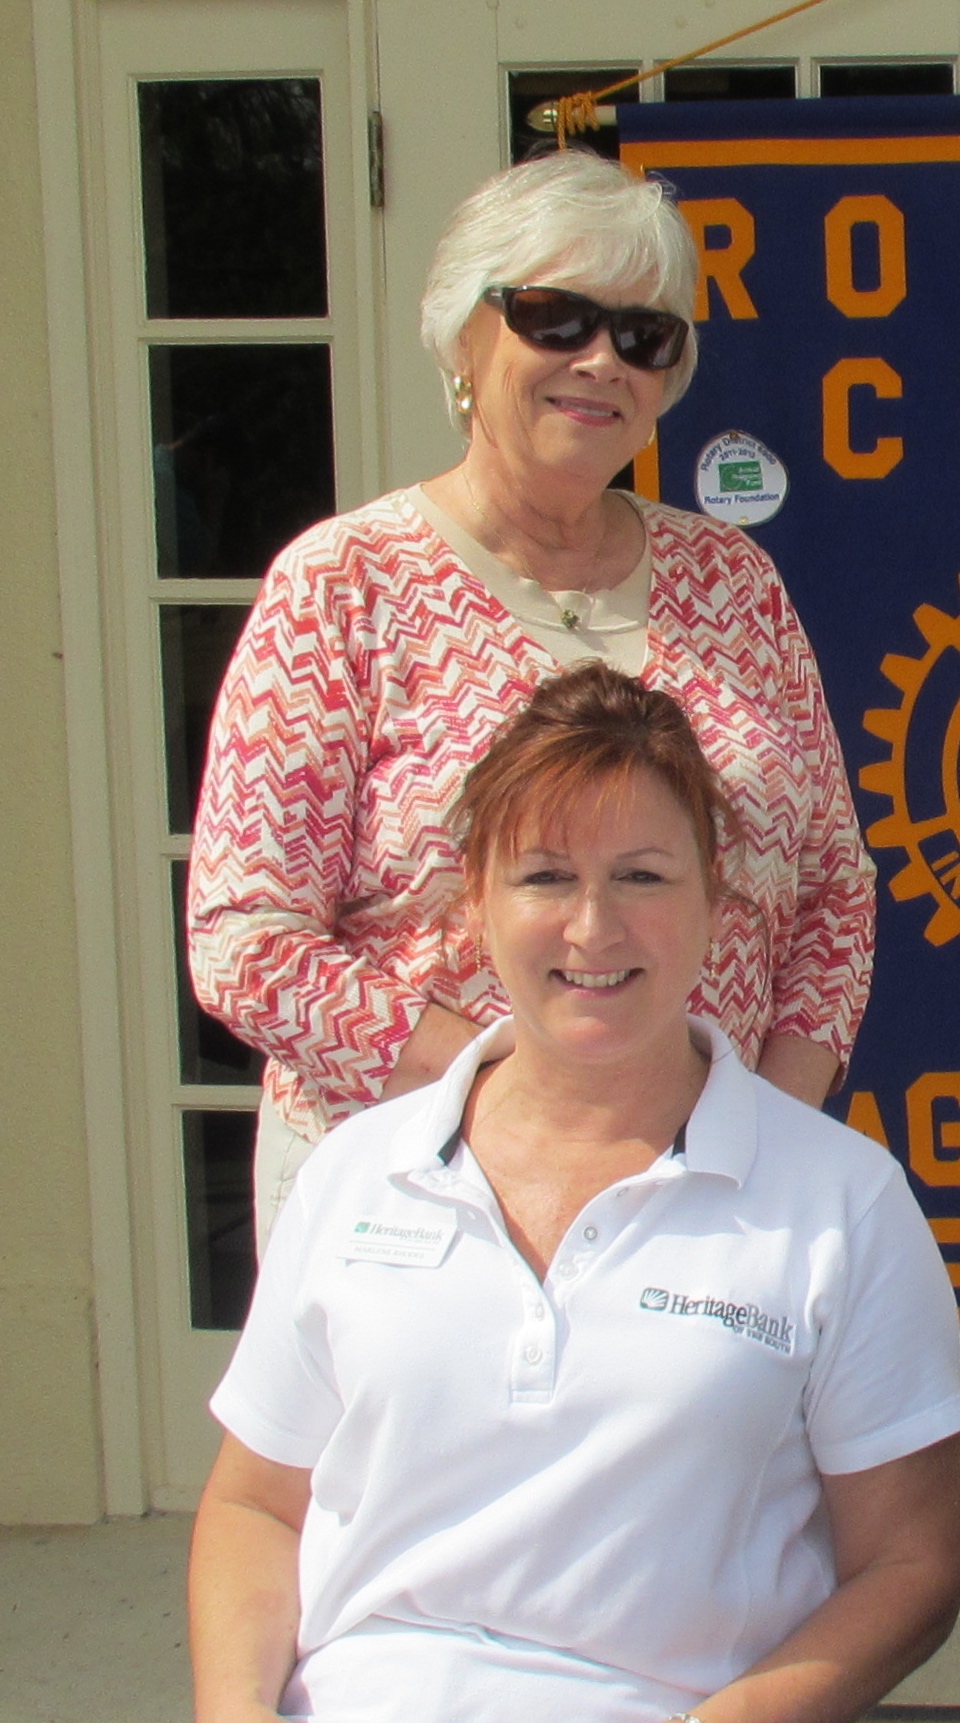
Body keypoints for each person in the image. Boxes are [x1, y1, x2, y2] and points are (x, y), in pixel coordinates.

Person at [188, 665, 960, 1723]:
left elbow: (910, 1569)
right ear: (475, 900)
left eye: (642, 876)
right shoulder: (356, 1173)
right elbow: (258, 1507)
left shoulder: (841, 1202)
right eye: (545, 876)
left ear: (715, 902)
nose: (593, 928)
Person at [189, 150, 873, 1243]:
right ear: (463, 335)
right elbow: (246, 937)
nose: (601, 360)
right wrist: (511, 1101)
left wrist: (765, 1134)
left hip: (710, 1202)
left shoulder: (733, 582)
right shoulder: (345, 586)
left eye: (644, 336)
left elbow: (835, 889)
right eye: (556, 318)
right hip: (415, 1198)